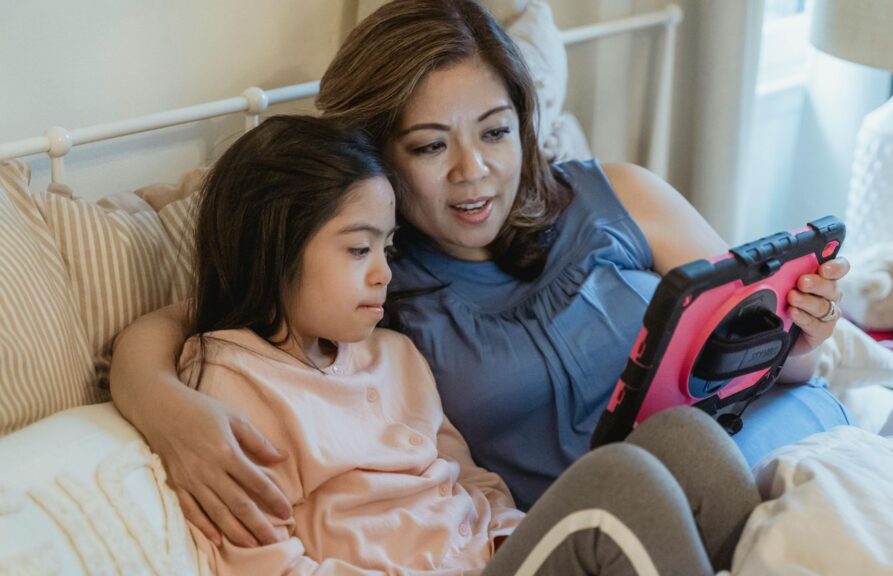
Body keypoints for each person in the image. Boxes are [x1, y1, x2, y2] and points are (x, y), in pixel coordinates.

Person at [109, 0, 850, 555]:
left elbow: (773, 358)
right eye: (430, 146)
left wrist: (803, 334)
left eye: (495, 132)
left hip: (756, 448)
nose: (474, 172)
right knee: (658, 471)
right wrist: (163, 404)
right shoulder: (370, 284)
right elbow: (207, 312)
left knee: (709, 453)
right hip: (594, 527)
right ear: (377, 158)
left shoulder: (616, 194)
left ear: (523, 126)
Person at [177, 113, 761, 575]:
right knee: (618, 486)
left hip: (490, 557)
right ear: (273, 249)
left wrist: (511, 536)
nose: (384, 273)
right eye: (358, 250)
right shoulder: (234, 384)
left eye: (387, 248)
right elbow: (264, 563)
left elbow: (470, 481)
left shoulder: (394, 355)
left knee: (685, 439)